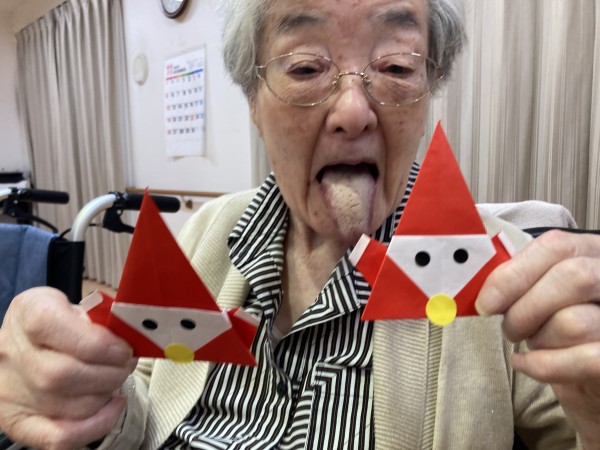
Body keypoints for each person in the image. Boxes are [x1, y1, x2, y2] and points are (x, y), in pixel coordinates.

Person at [1, 0, 599, 448]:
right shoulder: (208, 233)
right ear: (254, 102)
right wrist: (83, 402)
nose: (354, 111)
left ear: (427, 91)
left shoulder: (508, 280)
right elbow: (146, 406)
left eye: (396, 65)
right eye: (307, 68)